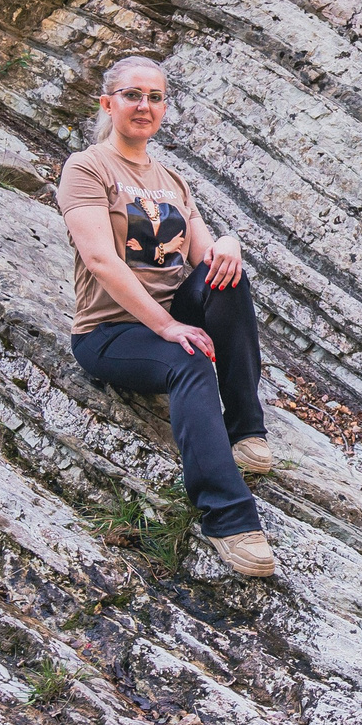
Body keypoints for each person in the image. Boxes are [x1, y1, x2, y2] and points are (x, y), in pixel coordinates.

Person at [58, 54, 278, 578]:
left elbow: (205, 256)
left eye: (155, 97)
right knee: (188, 357)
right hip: (110, 332)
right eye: (133, 95)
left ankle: (246, 430)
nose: (144, 106)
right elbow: (100, 259)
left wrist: (229, 241)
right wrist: (167, 326)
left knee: (229, 278)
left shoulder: (171, 178)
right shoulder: (86, 168)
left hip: (169, 312)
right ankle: (229, 520)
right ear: (109, 103)